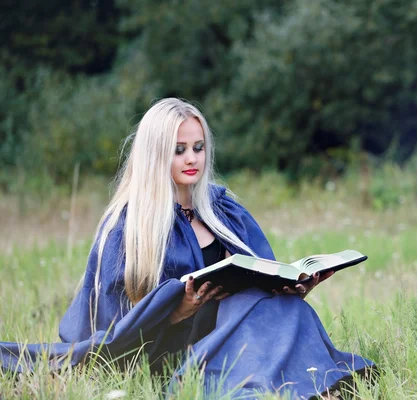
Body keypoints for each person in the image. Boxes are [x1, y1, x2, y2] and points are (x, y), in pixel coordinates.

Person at [2, 98, 373, 398]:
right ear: (156, 154)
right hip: (171, 354)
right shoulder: (127, 228)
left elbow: (265, 274)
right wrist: (175, 311)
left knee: (286, 307)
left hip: (234, 334)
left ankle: (306, 386)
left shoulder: (224, 210)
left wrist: (294, 285)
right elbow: (110, 329)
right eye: (179, 150)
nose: (192, 158)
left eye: (198, 147)